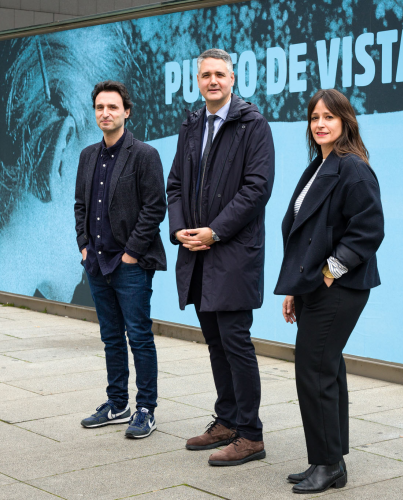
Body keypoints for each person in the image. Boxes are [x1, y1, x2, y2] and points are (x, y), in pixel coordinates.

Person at [166, 48, 275, 465]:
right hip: (196, 252)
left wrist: (214, 231)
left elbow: (256, 189)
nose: (213, 81)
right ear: (198, 81)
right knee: (215, 342)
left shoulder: (253, 124)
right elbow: (175, 183)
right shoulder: (192, 125)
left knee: (236, 342)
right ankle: (227, 420)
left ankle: (251, 435)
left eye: (220, 74)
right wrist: (179, 229)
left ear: (233, 79)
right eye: (206, 75)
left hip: (232, 252)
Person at [274, 89, 384, 493]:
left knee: (314, 368)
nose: (320, 123)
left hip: (341, 286)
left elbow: (369, 230)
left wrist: (328, 272)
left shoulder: (352, 168)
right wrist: (295, 289)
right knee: (327, 367)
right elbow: (303, 235)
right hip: (316, 287)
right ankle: (331, 460)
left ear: (345, 121)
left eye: (329, 117)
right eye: (314, 117)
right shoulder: (318, 167)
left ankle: (327, 464)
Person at [74, 81, 167, 439]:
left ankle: (146, 408)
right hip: (96, 264)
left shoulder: (144, 155)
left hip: (130, 265)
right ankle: (117, 404)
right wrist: (84, 246)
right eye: (99, 107)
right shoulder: (87, 156)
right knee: (111, 337)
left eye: (112, 107)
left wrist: (130, 254)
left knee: (139, 337)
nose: (105, 113)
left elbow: (154, 207)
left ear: (126, 112)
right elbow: (80, 205)